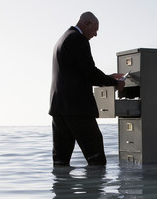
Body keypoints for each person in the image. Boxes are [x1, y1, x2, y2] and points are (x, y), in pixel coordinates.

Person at [49, 12, 125, 166]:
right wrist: (114, 83)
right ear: (86, 23)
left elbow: (78, 72)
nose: (95, 34)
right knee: (96, 159)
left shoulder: (62, 39)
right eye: (95, 29)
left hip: (59, 109)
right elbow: (90, 72)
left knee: (60, 161)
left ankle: (62, 190)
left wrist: (108, 77)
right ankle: (94, 190)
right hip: (78, 109)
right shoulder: (78, 39)